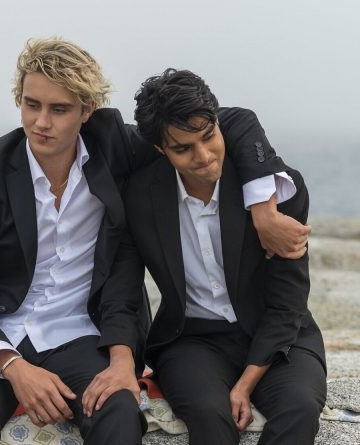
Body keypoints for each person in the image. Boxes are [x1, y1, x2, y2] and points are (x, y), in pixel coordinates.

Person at [0, 37, 310, 445]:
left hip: (80, 334)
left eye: (59, 109)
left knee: (119, 413)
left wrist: (262, 206)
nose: (41, 122)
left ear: (87, 110)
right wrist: (14, 367)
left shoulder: (114, 145)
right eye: (31, 104)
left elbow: (223, 122)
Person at [102, 68, 325, 444]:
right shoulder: (138, 198)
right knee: (208, 413)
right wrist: (120, 359)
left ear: (219, 124)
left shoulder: (278, 192)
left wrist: (246, 383)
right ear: (160, 149)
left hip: (280, 335)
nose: (204, 157)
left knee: (299, 409)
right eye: (183, 148)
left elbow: (288, 299)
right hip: (191, 340)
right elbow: (122, 289)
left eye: (208, 137)